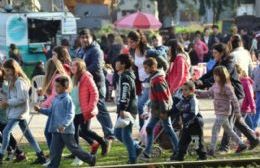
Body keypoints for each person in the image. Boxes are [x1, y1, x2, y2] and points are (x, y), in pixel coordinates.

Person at [195, 43, 259, 152]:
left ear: (222, 53)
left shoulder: (229, 62)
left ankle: (224, 147)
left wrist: (203, 82)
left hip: (235, 94)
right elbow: (211, 73)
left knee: (228, 122)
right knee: (237, 122)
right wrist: (198, 81)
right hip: (229, 95)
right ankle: (253, 139)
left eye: (215, 53)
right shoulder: (219, 62)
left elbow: (220, 77)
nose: (213, 55)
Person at [34, 75, 96, 167]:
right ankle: (53, 165)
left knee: (73, 148)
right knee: (54, 150)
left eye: (58, 86)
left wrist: (64, 125)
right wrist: (40, 110)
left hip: (65, 131)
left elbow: (70, 115)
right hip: (56, 129)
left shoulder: (67, 99)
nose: (56, 88)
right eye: (55, 86)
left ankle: (90, 158)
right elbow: (50, 112)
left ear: (65, 87)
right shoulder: (55, 99)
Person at [0, 59, 46, 164]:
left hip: (19, 113)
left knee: (6, 131)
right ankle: (40, 155)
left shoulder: (19, 82)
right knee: (29, 136)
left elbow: (22, 99)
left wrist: (7, 102)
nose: (6, 73)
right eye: (5, 70)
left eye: (8, 70)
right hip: (16, 112)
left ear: (14, 69)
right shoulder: (12, 81)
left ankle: (1, 155)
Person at [197, 66, 247, 156]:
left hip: (224, 112)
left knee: (215, 129)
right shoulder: (215, 85)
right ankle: (241, 144)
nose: (215, 77)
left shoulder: (227, 87)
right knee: (229, 130)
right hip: (218, 111)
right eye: (214, 75)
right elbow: (208, 93)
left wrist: (237, 114)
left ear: (223, 76)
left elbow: (235, 100)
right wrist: (197, 91)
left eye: (217, 75)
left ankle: (211, 150)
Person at [70, 59, 109, 166]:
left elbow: (95, 93)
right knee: (75, 133)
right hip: (75, 111)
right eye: (71, 65)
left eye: (75, 66)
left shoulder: (86, 77)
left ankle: (102, 142)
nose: (72, 67)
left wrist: (90, 107)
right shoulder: (73, 76)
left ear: (80, 67)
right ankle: (78, 155)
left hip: (84, 110)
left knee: (85, 131)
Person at [78, 29, 114, 142]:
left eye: (86, 37)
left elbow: (96, 66)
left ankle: (110, 133)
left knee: (100, 109)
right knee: (89, 109)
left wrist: (80, 72)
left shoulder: (96, 50)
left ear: (92, 38)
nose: (84, 39)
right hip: (86, 84)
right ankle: (87, 132)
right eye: (82, 37)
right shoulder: (81, 51)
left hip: (97, 84)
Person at [140, 57, 178, 161]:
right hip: (156, 110)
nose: (145, 70)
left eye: (146, 68)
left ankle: (178, 150)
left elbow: (163, 97)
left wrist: (163, 111)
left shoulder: (158, 80)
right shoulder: (154, 78)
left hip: (161, 111)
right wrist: (149, 105)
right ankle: (147, 153)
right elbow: (154, 96)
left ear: (153, 67)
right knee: (149, 128)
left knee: (168, 130)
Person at [114, 54, 142, 164]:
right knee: (117, 133)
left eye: (117, 62)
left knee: (126, 135)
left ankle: (132, 159)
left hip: (127, 109)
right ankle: (136, 147)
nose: (115, 64)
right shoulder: (123, 75)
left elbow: (125, 94)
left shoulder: (125, 77)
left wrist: (122, 109)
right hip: (124, 108)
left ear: (123, 64)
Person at [173, 81, 206, 161]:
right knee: (183, 141)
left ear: (192, 91)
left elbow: (193, 113)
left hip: (195, 124)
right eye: (182, 90)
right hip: (187, 125)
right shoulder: (183, 100)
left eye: (186, 90)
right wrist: (167, 113)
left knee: (196, 141)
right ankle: (180, 156)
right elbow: (176, 109)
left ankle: (202, 156)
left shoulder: (193, 100)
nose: (183, 92)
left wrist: (186, 121)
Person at [39, 58, 67, 148]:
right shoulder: (56, 76)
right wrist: (43, 91)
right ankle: (54, 152)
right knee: (51, 133)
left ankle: (54, 153)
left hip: (57, 108)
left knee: (49, 133)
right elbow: (51, 94)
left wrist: (43, 105)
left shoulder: (58, 77)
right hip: (56, 107)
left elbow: (55, 95)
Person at [0, 67, 26, 162]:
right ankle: (14, 151)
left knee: (5, 131)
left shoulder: (6, 83)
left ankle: (17, 152)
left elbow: (8, 97)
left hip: (5, 110)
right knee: (5, 132)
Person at [127, 30, 150, 130]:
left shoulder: (147, 50)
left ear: (138, 41)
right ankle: (144, 130)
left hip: (150, 82)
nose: (129, 44)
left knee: (140, 106)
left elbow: (156, 64)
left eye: (131, 42)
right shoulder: (132, 51)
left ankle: (143, 129)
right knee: (140, 107)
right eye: (128, 42)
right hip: (140, 83)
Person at [235, 65, 256, 130]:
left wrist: (253, 108)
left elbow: (250, 96)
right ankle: (254, 136)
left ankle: (253, 137)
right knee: (247, 125)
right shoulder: (237, 82)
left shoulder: (246, 82)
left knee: (239, 124)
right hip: (239, 107)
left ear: (239, 73)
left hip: (244, 108)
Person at [252, 58, 260, 130]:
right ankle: (253, 125)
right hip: (258, 90)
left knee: (257, 108)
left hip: (257, 89)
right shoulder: (256, 68)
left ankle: (254, 124)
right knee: (257, 108)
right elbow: (253, 78)